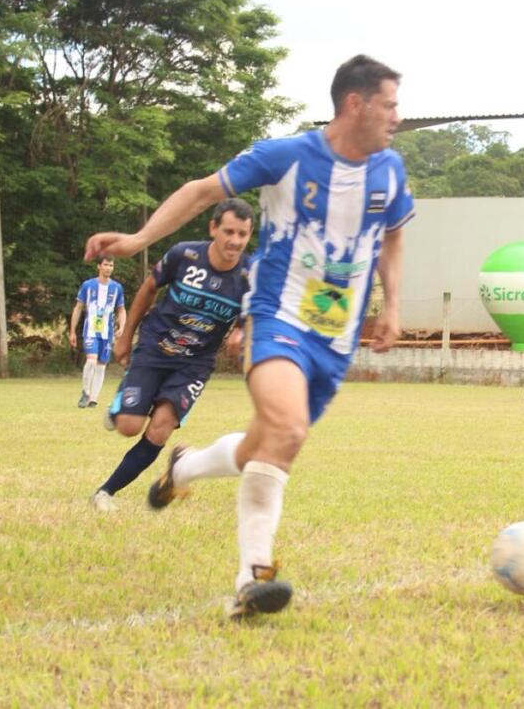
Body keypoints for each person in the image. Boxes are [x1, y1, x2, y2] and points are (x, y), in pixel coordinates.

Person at [83, 55, 413, 619]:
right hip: (278, 317)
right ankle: (253, 576)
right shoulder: (287, 155)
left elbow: (393, 237)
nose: (397, 117)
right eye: (389, 104)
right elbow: (199, 192)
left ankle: (185, 468)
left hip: (336, 340)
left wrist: (393, 305)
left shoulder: (390, 171)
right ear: (355, 104)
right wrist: (138, 240)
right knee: (288, 430)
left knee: (264, 445)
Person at [89, 200, 253, 513]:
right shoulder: (184, 255)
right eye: (229, 231)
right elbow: (148, 289)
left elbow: (246, 322)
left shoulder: (250, 276)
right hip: (156, 346)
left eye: (242, 234)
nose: (235, 240)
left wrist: (241, 335)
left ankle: (105, 492)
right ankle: (122, 404)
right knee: (128, 426)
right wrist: (125, 336)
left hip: (195, 363)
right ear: (213, 228)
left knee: (160, 429)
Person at [70, 256, 127, 408]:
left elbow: (121, 310)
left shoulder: (117, 288)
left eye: (111, 265)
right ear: (99, 266)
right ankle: (85, 392)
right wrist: (72, 331)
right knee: (91, 361)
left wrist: (122, 327)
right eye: (106, 265)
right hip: (90, 331)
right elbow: (78, 307)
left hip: (107, 333)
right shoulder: (88, 285)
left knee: (101, 365)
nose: (109, 268)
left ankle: (93, 399)